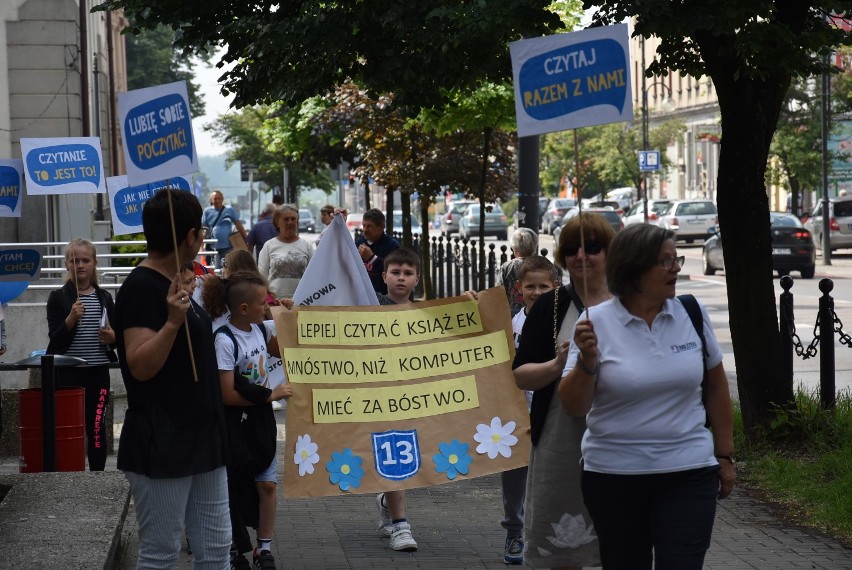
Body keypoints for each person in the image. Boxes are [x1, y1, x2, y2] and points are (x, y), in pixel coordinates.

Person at [558, 223, 735, 569]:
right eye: (665, 262)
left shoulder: (690, 312)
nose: (676, 269)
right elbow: (573, 405)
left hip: (689, 471)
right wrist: (588, 362)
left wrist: (725, 455)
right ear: (634, 267)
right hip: (613, 477)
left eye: (676, 259)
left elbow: (716, 386)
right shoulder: (595, 322)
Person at [114, 188, 231, 566]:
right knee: (161, 553)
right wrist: (172, 323)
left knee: (216, 549)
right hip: (162, 441)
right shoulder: (139, 288)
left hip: (203, 437)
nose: (202, 238)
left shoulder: (180, 282)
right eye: (199, 232)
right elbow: (140, 366)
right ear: (190, 237)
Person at [512, 213, 613, 569]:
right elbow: (521, 375)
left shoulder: (631, 301)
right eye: (572, 249)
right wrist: (557, 366)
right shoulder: (551, 306)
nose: (582, 256)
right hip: (561, 437)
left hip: (621, 436)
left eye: (593, 247)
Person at [205, 270, 293, 570]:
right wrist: (270, 395)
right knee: (233, 485)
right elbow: (227, 395)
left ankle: (263, 548)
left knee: (267, 485)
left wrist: (284, 315)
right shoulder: (224, 340)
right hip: (235, 424)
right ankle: (232, 549)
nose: (266, 307)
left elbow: (280, 349)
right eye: (262, 302)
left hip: (260, 422)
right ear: (243, 309)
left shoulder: (258, 328)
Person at [496, 255, 558, 564]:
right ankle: (514, 532)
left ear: (556, 287)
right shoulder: (510, 325)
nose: (537, 292)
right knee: (515, 477)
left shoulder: (564, 324)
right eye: (530, 286)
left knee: (550, 476)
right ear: (519, 289)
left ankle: (547, 532)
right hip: (516, 415)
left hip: (552, 414)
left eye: (543, 286)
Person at [46, 238, 117, 472]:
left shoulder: (104, 298)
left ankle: (97, 473)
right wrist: (71, 319)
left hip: (97, 373)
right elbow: (55, 340)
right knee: (68, 426)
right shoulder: (58, 298)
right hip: (68, 373)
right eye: (74, 260)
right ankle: (68, 471)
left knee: (96, 426)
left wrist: (113, 338)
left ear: (94, 263)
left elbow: (118, 336)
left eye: (85, 260)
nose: (80, 265)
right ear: (67, 264)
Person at [374, 247, 420, 552]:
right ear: (384, 277)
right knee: (395, 453)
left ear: (416, 279)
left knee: (414, 457)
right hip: (380, 395)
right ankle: (400, 526)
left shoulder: (427, 313)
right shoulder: (371, 307)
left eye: (407, 273)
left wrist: (470, 304)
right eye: (396, 273)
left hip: (416, 398)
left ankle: (385, 499)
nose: (401, 278)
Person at [257, 205, 313, 299]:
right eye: (286, 219)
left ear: (297, 222)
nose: (290, 222)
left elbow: (314, 275)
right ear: (277, 222)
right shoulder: (269, 246)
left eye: (293, 219)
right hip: (276, 302)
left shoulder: (307, 246)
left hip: (301, 301)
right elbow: (262, 276)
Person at [497, 227, 539, 317]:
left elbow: (499, 294)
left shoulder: (507, 267)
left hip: (513, 315)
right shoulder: (543, 266)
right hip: (538, 313)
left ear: (514, 248)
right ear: (534, 247)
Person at [355, 208, 400, 294]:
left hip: (382, 297)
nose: (365, 230)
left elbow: (394, 271)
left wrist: (372, 258)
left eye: (369, 226)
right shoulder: (359, 243)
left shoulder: (392, 246)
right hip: (361, 295)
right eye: (363, 225)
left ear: (381, 227)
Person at [202, 190, 247, 268]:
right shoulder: (207, 211)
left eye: (219, 198)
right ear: (211, 200)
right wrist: (201, 245)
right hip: (213, 247)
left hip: (228, 246)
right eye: (215, 199)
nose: (217, 201)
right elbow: (203, 229)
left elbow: (238, 224)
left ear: (222, 199)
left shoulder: (229, 210)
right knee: (216, 269)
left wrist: (246, 239)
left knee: (228, 268)